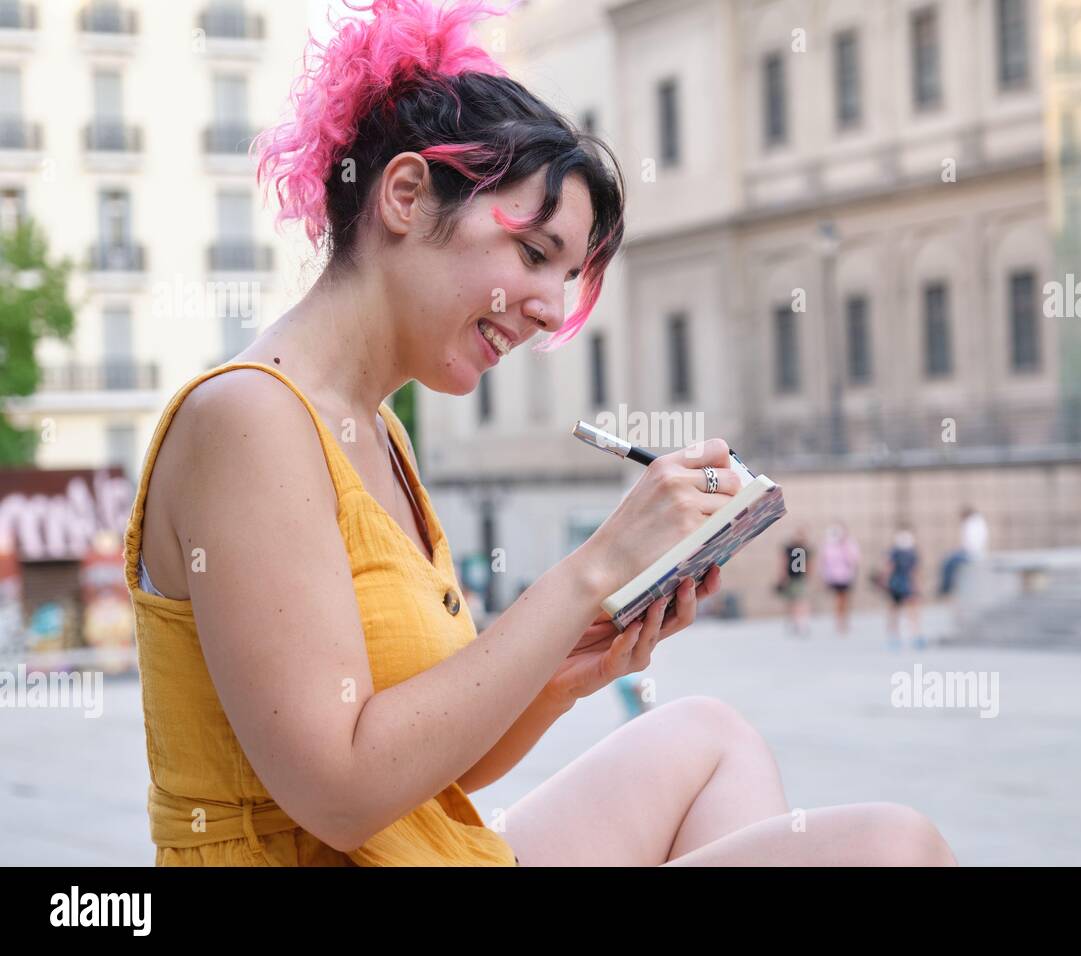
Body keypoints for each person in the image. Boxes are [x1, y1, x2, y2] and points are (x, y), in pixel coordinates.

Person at [122, 0, 954, 868]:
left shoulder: (379, 436)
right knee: (894, 848)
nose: (553, 309)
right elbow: (340, 794)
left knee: (711, 736)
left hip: (437, 851)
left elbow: (437, 769)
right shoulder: (249, 421)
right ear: (406, 196)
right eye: (533, 253)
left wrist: (571, 668)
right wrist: (592, 567)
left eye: (567, 275)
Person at [885, 526, 923, 650]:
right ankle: (912, 635)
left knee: (897, 611)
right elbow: (914, 571)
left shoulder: (898, 552)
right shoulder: (907, 552)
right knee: (907, 611)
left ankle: (899, 636)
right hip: (902, 584)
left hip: (898, 584)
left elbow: (889, 568)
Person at [819, 522, 861, 636]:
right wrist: (824, 576)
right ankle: (839, 621)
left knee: (845, 599)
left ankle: (844, 619)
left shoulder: (849, 543)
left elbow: (854, 559)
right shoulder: (829, 543)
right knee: (839, 598)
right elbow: (825, 560)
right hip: (834, 576)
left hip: (846, 575)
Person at [939, 506, 989, 598]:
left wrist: (960, 550)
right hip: (972, 552)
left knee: (948, 561)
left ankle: (945, 587)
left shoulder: (972, 524)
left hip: (971, 554)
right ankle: (946, 587)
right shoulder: (976, 522)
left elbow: (971, 544)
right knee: (950, 559)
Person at [776, 526, 814, 638]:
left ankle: (800, 621)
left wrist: (808, 576)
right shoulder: (789, 548)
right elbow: (783, 562)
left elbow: (809, 564)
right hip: (790, 577)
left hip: (800, 578)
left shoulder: (805, 549)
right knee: (791, 600)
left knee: (800, 600)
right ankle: (793, 620)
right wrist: (782, 576)